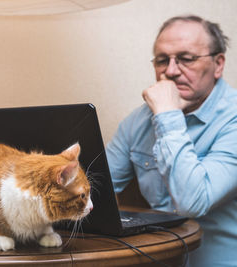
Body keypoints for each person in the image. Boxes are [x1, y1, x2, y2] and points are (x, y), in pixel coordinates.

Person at [106, 15, 237, 266]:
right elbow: (97, 190)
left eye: (186, 59)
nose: (171, 71)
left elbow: (192, 203)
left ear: (218, 64)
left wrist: (168, 115)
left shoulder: (233, 118)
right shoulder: (137, 122)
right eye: (162, 60)